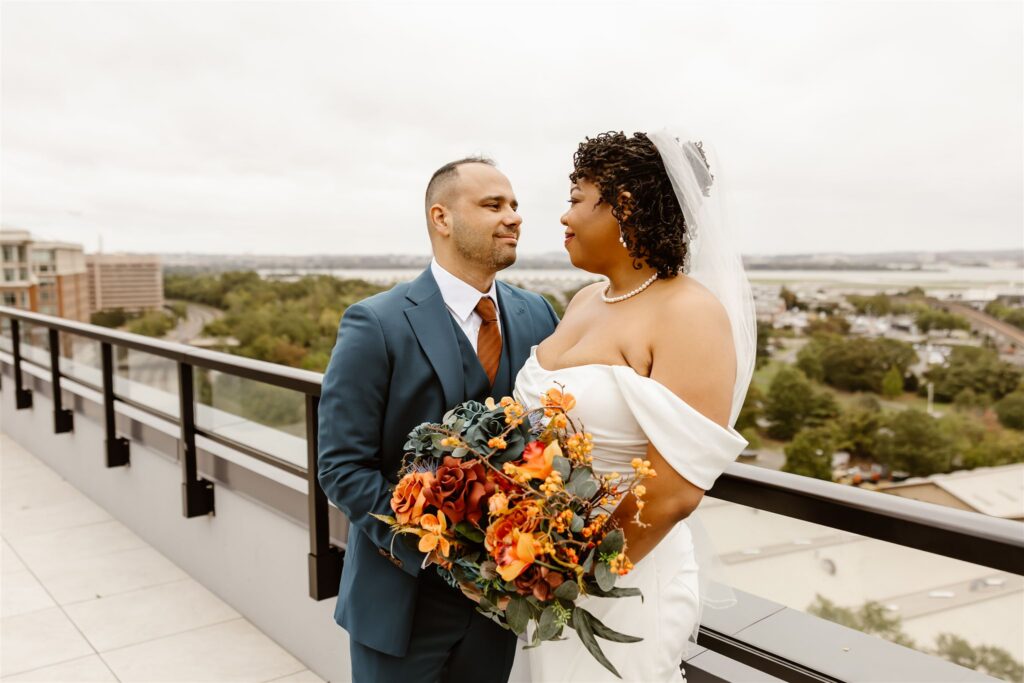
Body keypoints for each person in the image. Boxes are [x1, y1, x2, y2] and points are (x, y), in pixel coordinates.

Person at [511, 130, 756, 682]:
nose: (563, 216)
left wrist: (568, 576)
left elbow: (672, 494)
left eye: (576, 198)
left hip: (622, 580)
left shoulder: (690, 313)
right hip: (543, 568)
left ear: (622, 207)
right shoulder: (583, 301)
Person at [317, 157, 560, 682]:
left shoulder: (538, 314)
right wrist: (442, 553)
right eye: (493, 205)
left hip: (498, 607)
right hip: (401, 599)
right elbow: (341, 467)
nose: (513, 217)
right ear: (441, 218)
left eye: (515, 205)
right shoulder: (375, 323)